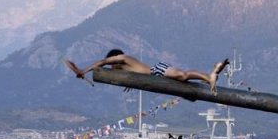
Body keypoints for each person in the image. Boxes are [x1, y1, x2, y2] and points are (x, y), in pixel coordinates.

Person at [64, 49, 230, 93]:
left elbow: (102, 62)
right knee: (184, 78)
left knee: (183, 75)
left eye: (112, 63)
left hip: (156, 71)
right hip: (154, 74)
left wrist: (83, 70)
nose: (112, 68)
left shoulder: (123, 58)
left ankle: (209, 76)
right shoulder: (124, 67)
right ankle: (209, 75)